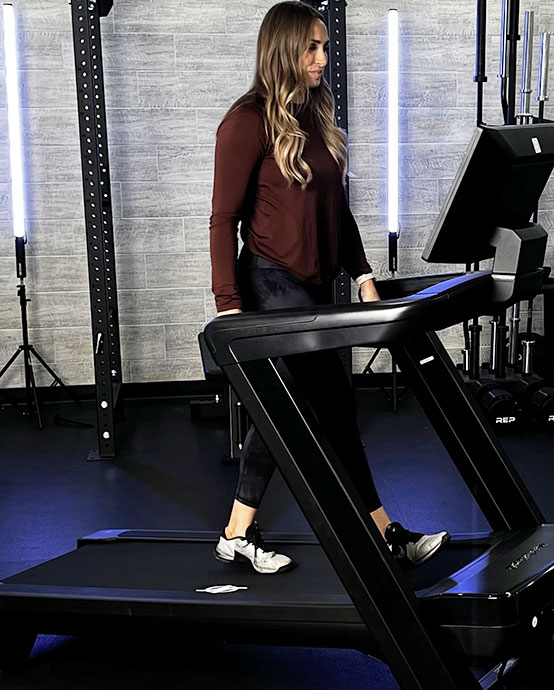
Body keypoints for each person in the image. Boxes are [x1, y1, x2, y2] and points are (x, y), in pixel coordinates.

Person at [209, 1, 448, 575]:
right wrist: (229, 308)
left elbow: (337, 211)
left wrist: (363, 275)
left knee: (312, 408)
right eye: (311, 48)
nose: (322, 58)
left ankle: (237, 532)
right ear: (283, 50)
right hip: (269, 283)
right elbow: (222, 218)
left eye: (323, 46)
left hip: (318, 289)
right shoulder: (246, 121)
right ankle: (382, 533)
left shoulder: (316, 117)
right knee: (316, 407)